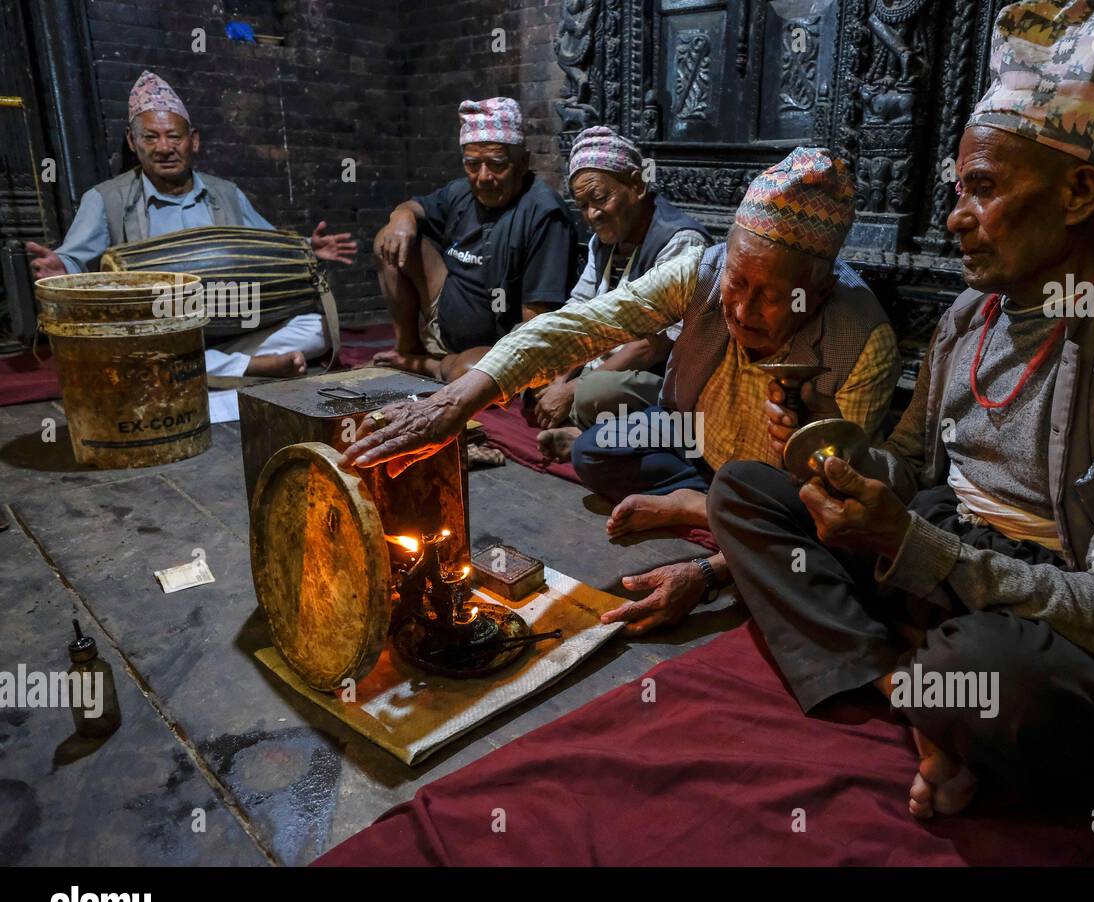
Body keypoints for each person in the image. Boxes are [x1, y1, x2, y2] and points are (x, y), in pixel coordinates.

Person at [708, 0, 1094, 836]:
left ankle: (925, 685)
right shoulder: (974, 315)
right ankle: (916, 695)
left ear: (1079, 190)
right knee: (747, 494)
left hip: (1081, 644)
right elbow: (909, 464)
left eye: (982, 190)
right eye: (957, 190)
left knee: (987, 667)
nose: (955, 218)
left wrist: (916, 549)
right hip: (949, 570)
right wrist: (851, 473)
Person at [342, 146, 901, 637]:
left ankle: (703, 506)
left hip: (772, 489)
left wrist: (707, 573)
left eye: (772, 295)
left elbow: (839, 507)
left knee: (819, 521)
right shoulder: (701, 270)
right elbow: (578, 326)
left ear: (818, 289)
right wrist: (454, 400)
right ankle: (709, 504)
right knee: (593, 450)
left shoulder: (861, 340)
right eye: (737, 281)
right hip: (692, 433)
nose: (741, 310)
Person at [26, 70, 356, 379]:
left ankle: (212, 366)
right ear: (132, 142)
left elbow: (269, 246)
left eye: (174, 136)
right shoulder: (105, 199)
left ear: (193, 140)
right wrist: (63, 269)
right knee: (123, 348)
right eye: (151, 137)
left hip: (233, 323)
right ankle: (247, 367)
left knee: (318, 328)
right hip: (159, 331)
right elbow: (73, 258)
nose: (165, 148)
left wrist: (306, 250)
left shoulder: (227, 194)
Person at [531, 126, 710, 463]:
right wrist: (558, 378)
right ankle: (588, 427)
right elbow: (577, 316)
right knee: (533, 356)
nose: (592, 215)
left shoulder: (681, 242)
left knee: (593, 395)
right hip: (604, 361)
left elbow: (650, 346)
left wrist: (571, 391)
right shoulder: (604, 241)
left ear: (637, 185)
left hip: (656, 379)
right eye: (583, 205)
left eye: (600, 199)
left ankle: (585, 432)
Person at [371, 97, 577, 382]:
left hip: (495, 342)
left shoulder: (544, 213)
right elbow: (415, 206)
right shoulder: (461, 192)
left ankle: (426, 366)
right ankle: (408, 349)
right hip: (443, 311)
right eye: (472, 164)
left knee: (469, 374)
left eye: (496, 164)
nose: (483, 177)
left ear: (522, 163)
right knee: (388, 239)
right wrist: (402, 217)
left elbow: (537, 321)